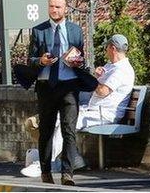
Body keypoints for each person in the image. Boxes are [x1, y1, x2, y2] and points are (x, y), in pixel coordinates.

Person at [22, 34, 135, 177]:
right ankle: (56, 160)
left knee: (66, 121)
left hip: (104, 114)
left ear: (113, 48)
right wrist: (96, 74)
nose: (105, 50)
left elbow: (102, 91)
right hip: (92, 110)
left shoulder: (122, 70)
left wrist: (84, 76)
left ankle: (45, 164)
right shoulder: (111, 66)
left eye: (107, 47)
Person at [28, 0, 88, 186]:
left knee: (69, 130)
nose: (54, 10)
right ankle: (46, 171)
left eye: (58, 7)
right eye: (51, 6)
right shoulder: (39, 30)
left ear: (66, 9)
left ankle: (67, 173)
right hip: (47, 86)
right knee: (46, 130)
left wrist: (77, 61)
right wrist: (41, 60)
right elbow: (31, 59)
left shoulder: (75, 31)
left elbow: (82, 58)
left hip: (69, 86)